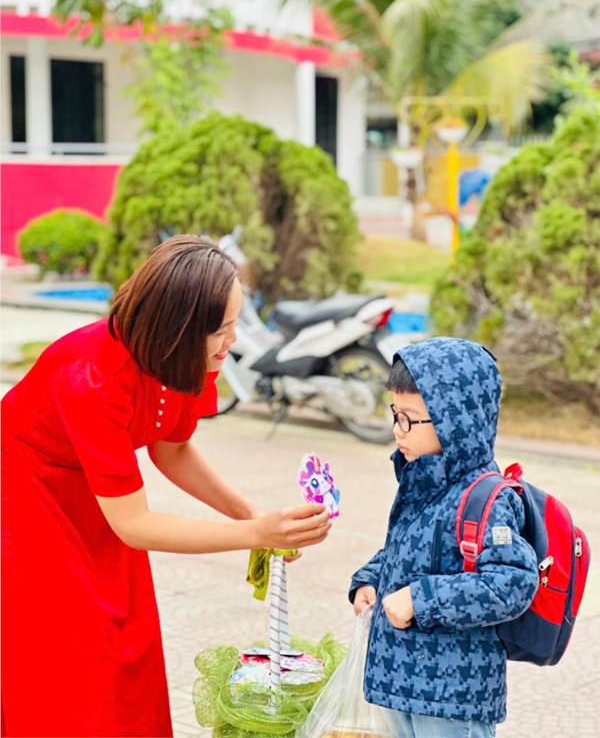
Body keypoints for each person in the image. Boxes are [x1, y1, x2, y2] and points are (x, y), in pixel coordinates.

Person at [1, 234, 330, 738]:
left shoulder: (187, 357)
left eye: (235, 322)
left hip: (104, 491)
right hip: (28, 494)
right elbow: (135, 525)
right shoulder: (92, 378)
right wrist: (256, 533)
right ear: (177, 328)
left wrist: (251, 516)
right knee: (74, 648)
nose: (233, 339)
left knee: (128, 638)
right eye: (221, 329)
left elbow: (171, 449)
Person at [350, 337, 539, 738]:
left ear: (456, 422)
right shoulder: (423, 479)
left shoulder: (488, 499)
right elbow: (403, 550)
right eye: (395, 414)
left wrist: (420, 600)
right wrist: (369, 580)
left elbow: (512, 582)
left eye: (409, 419)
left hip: (453, 699)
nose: (397, 430)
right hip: (402, 683)